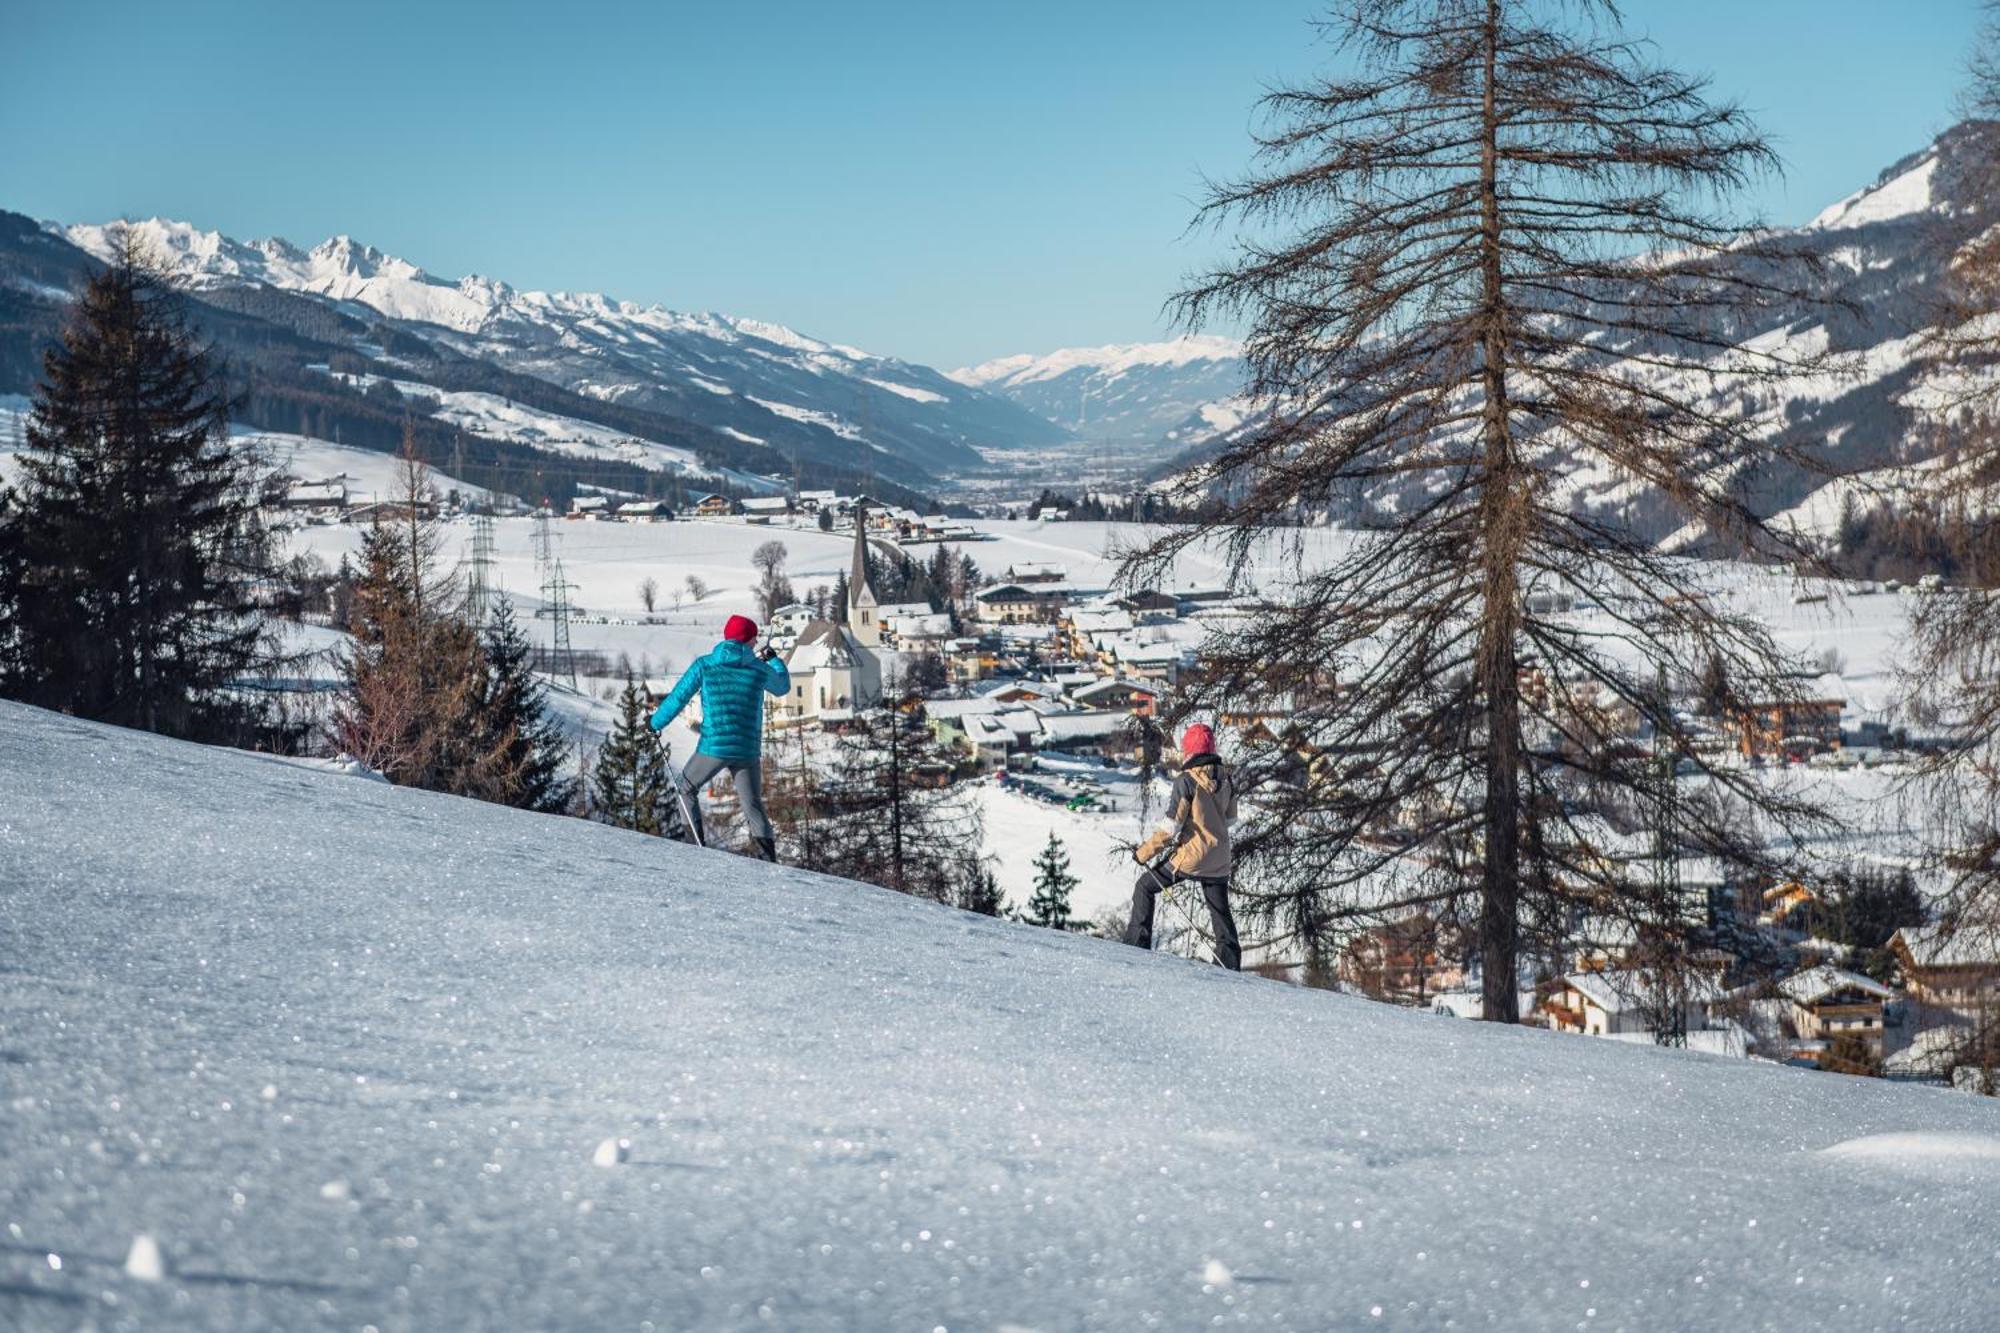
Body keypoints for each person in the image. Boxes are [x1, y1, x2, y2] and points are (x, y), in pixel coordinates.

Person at [649, 613, 789, 861]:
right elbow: (782, 687)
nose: (756, 644)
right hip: (747, 749)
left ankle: (695, 847)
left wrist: (655, 722)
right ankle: (769, 860)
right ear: (747, 641)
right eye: (754, 640)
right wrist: (774, 660)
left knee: (686, 788)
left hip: (714, 746)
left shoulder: (705, 665)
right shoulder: (758, 667)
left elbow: (679, 697)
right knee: (752, 805)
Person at [1123, 723, 1241, 971]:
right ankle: (1229, 962)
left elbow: (1171, 828)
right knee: (1220, 911)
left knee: (1145, 886)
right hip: (1220, 857)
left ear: (1189, 751)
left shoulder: (1186, 782)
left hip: (1191, 859)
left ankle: (1136, 946)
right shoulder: (1227, 778)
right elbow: (1230, 820)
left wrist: (1144, 853)